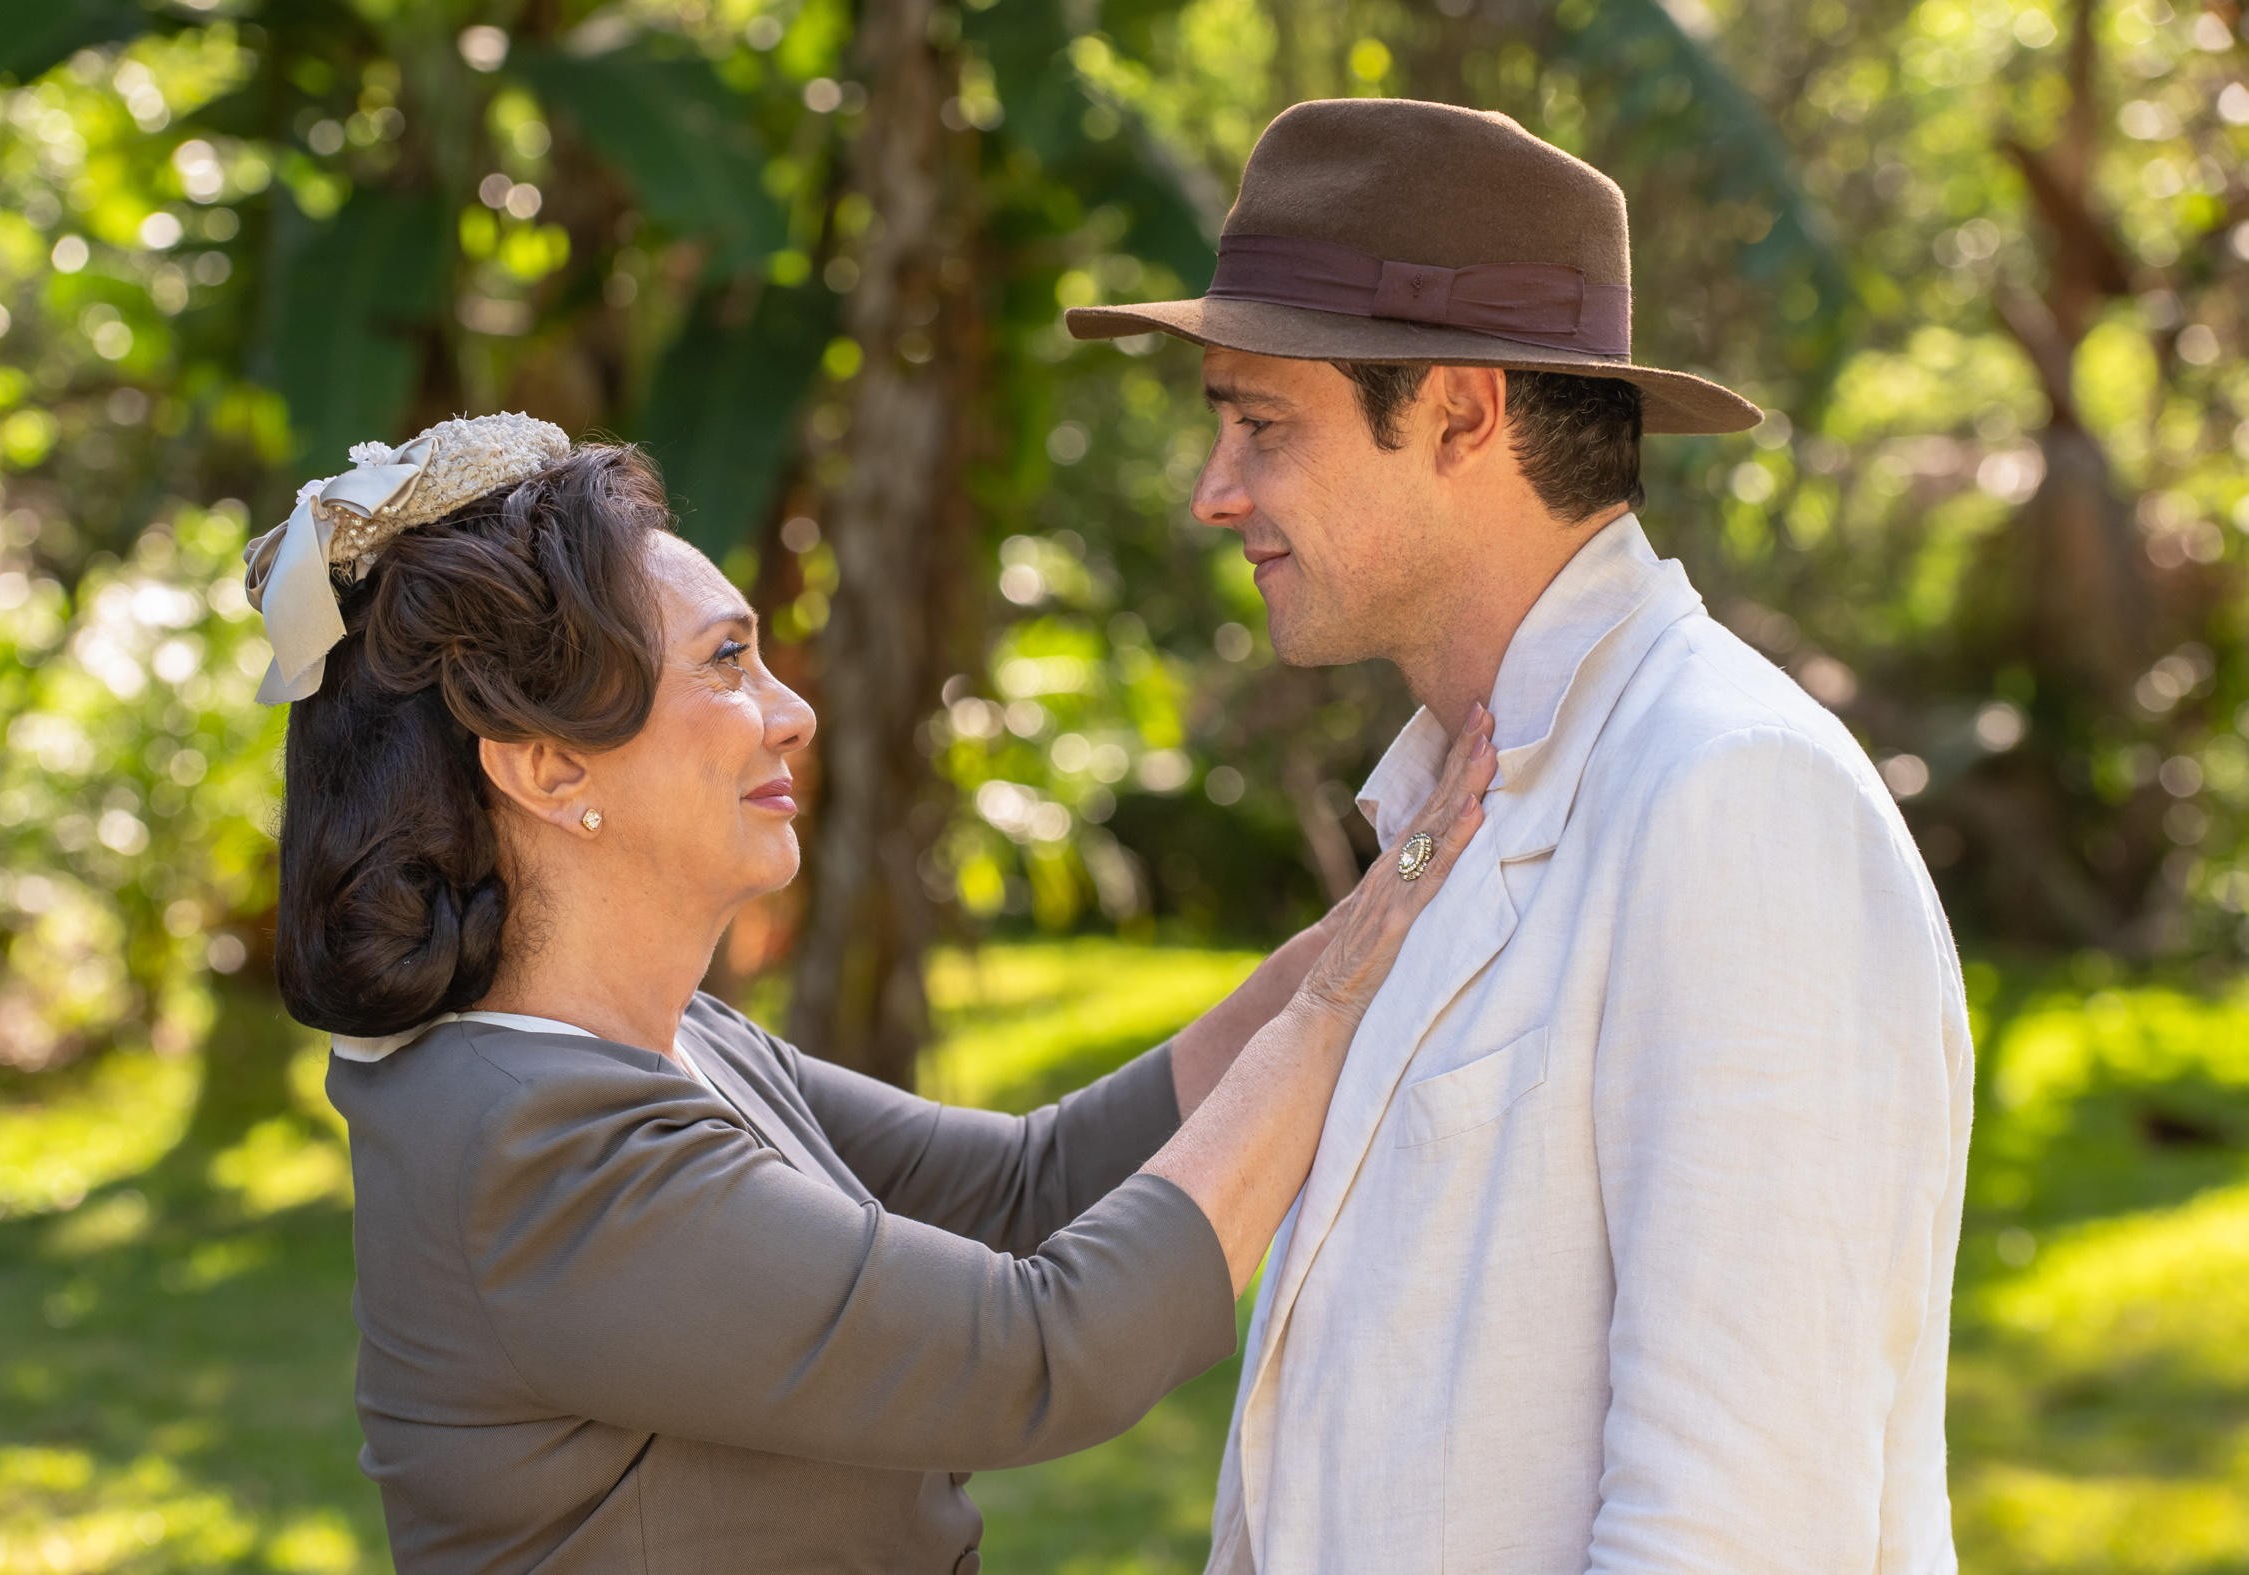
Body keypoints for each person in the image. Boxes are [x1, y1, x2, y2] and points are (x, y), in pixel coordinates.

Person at [239, 410, 1498, 1572]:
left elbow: (1031, 1187)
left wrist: (1389, 894)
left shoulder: (669, 1046)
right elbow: (1040, 1352)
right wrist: (1337, 1000)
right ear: (550, 766)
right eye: (728, 664)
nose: (791, 713)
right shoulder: (533, 1151)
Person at [1067, 99, 1974, 1574]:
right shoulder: (1454, 794)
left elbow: (1737, 1523)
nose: (1212, 489)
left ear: (1462, 413)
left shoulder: (1729, 791)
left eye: (1260, 424)